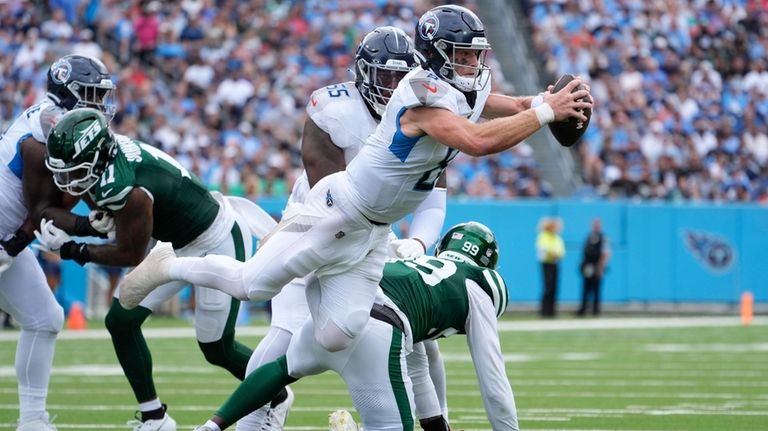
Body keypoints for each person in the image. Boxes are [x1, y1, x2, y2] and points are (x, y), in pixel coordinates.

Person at [119, 3, 589, 371]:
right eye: (462, 55)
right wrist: (544, 114)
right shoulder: (421, 99)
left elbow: (504, 103)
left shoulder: (461, 86)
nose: (472, 64)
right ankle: (173, 265)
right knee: (250, 284)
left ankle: (299, 370)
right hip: (335, 211)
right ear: (435, 57)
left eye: (475, 55)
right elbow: (477, 141)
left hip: (373, 230)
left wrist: (547, 99)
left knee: (338, 334)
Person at [235, 26, 451, 431]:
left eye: (402, 78)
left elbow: (434, 197)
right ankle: (245, 422)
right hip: (315, 224)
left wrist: (418, 243)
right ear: (364, 75)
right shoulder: (334, 111)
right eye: (385, 77)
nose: (394, 87)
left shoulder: (427, 111)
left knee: (421, 341)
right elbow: (332, 200)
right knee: (284, 334)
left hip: (374, 233)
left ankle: (439, 423)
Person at [34, 108, 277, 431]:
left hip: (216, 241)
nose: (69, 180)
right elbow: (116, 221)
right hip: (175, 244)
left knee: (216, 348)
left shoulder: (126, 186)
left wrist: (71, 248)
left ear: (96, 156)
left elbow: (131, 252)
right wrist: (93, 224)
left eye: (77, 170)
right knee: (121, 320)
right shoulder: (109, 161)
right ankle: (155, 418)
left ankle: (275, 393)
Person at [190, 221, 517, 431]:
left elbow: (418, 359)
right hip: (379, 329)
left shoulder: (412, 260)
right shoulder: (480, 284)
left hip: (337, 303)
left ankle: (212, 425)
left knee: (283, 367)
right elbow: (493, 379)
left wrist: (436, 424)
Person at [0, 54, 117, 431]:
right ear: (67, 92)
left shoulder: (55, 119)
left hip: (5, 236)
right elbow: (44, 209)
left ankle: (32, 420)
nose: (99, 104)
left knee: (45, 319)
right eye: (90, 94)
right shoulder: (52, 123)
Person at [577, 218, 610, 316]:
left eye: (597, 224)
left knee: (596, 288)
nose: (596, 226)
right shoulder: (589, 236)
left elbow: (606, 253)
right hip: (588, 266)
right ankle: (583, 309)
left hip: (597, 265)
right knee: (586, 287)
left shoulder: (603, 237)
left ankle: (596, 310)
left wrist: (601, 267)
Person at [536, 217, 565, 317]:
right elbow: (543, 248)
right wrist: (552, 253)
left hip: (555, 263)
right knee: (547, 287)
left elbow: (561, 251)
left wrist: (556, 254)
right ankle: (545, 311)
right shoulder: (543, 236)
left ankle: (552, 311)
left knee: (554, 287)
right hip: (546, 264)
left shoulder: (557, 238)